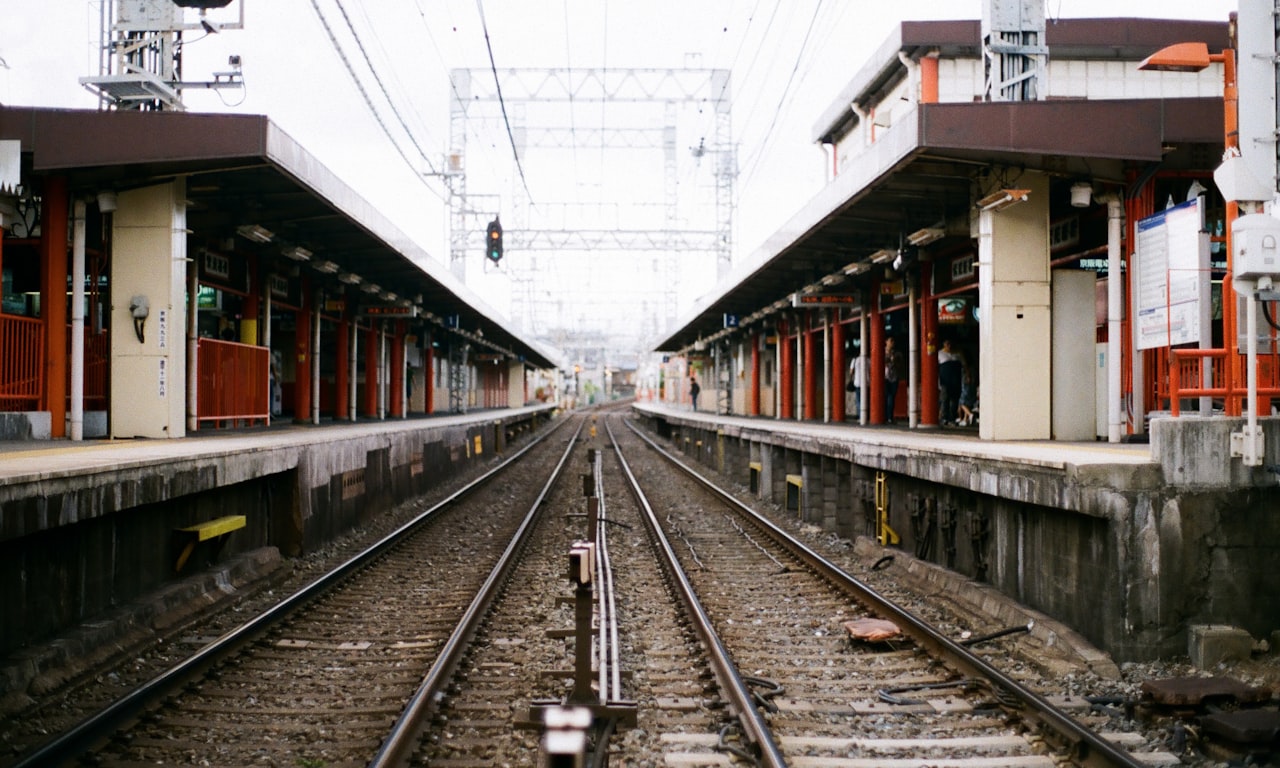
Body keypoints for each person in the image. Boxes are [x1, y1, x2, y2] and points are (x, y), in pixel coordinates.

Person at [937, 339, 963, 425]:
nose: (949, 345)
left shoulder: (957, 354)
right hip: (945, 380)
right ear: (944, 344)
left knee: (954, 400)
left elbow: (964, 365)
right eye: (947, 343)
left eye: (950, 343)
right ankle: (944, 417)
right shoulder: (940, 354)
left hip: (956, 380)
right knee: (945, 399)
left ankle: (952, 418)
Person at [883, 336, 902, 424]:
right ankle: (888, 416)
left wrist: (894, 361)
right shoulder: (882, 352)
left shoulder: (896, 354)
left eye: (893, 341)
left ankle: (890, 416)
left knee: (892, 397)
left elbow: (900, 365)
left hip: (894, 377)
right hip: (885, 377)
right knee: (888, 396)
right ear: (886, 342)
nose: (892, 343)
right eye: (890, 341)